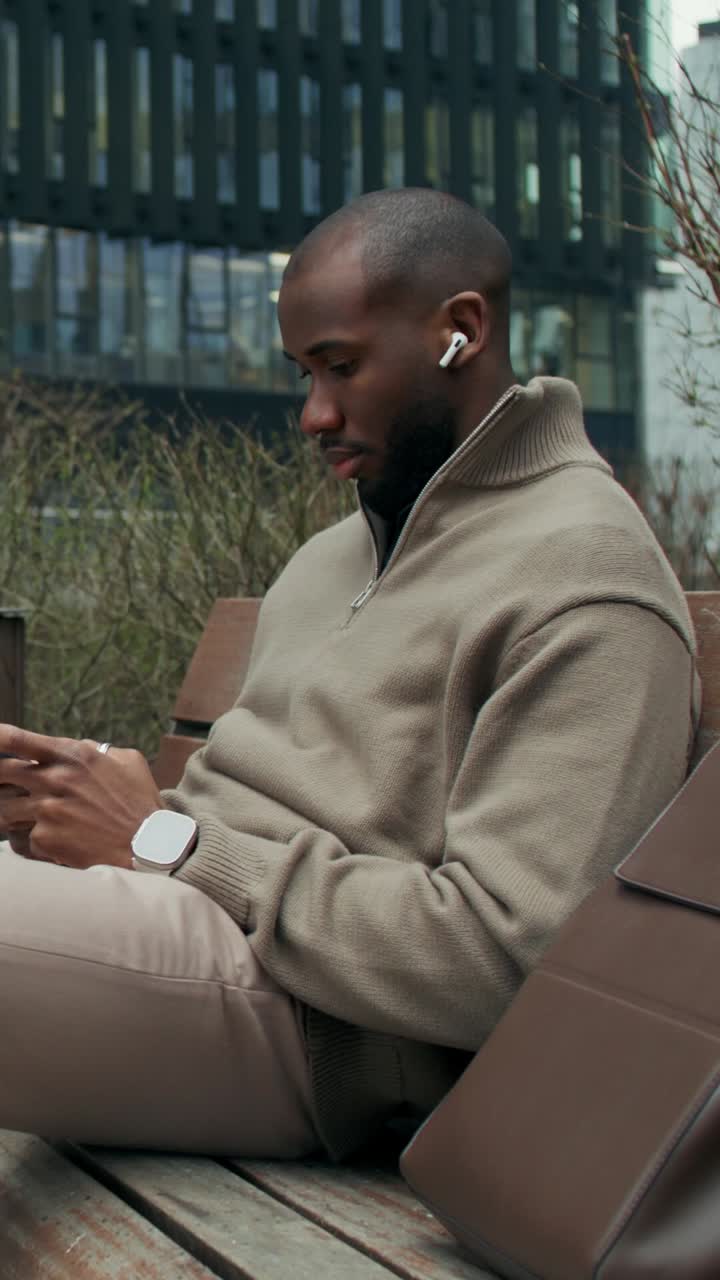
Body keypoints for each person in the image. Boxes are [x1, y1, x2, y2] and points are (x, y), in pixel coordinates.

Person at [0, 188, 699, 1162]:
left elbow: (512, 959)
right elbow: (229, 824)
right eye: (304, 372)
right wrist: (72, 812)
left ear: (461, 332)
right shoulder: (334, 555)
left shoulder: (587, 580)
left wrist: (166, 839)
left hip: (325, 1031)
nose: (313, 414)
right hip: (187, 930)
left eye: (341, 366)